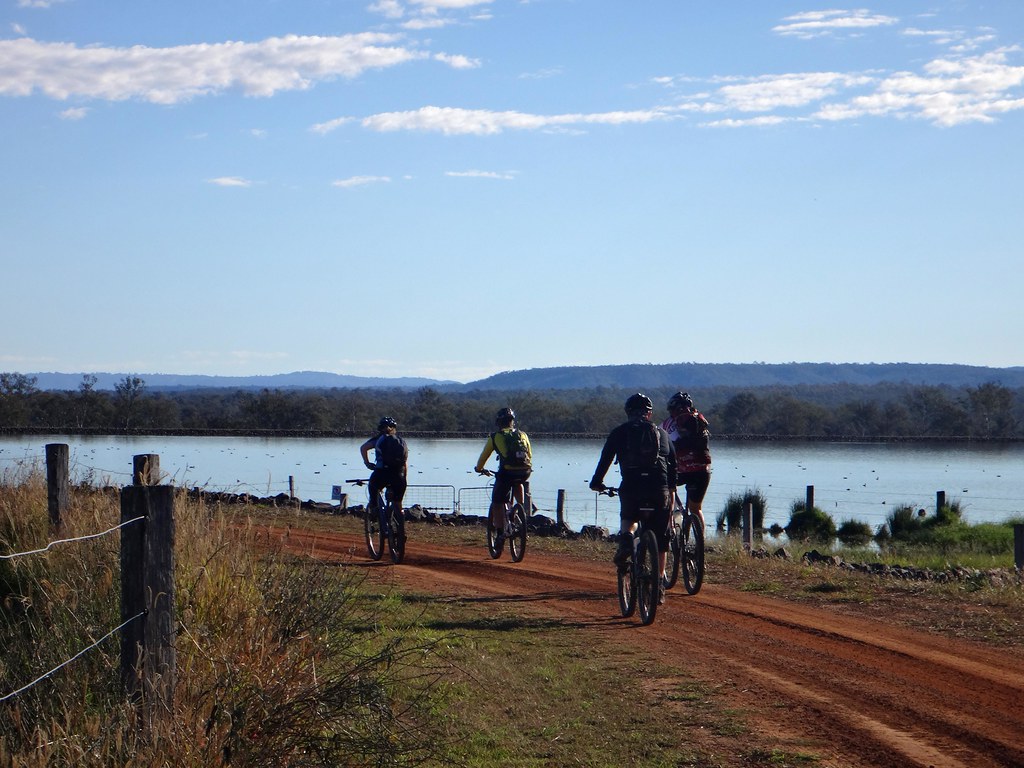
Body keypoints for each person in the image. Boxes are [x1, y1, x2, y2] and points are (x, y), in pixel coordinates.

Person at [590, 393, 676, 602]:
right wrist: (670, 491)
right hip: (659, 489)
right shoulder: (662, 434)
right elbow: (673, 466)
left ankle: (627, 539)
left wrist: (596, 482)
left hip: (632, 486)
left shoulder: (620, 432)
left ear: (628, 412)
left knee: (629, 519)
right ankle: (659, 585)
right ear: (650, 413)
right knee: (662, 540)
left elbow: (605, 460)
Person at [474, 407, 532, 544]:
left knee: (497, 502)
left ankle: (500, 533)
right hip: (525, 471)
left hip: (507, 473)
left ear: (499, 423)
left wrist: (479, 469)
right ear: (512, 422)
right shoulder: (522, 435)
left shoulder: (495, 437)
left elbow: (484, 457)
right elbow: (529, 454)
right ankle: (520, 511)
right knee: (518, 482)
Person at [662, 392, 711, 532]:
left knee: (666, 491)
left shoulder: (668, 423)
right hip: (702, 471)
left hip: (681, 471)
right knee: (696, 509)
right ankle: (700, 544)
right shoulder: (700, 420)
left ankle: (670, 525)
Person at [359, 416, 409, 534]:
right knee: (398, 503)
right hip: (398, 475)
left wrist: (367, 463)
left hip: (382, 473)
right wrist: (403, 478)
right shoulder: (400, 441)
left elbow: (363, 448)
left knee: (373, 487)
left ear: (380, 428)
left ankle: (375, 511)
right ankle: (401, 529)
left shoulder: (379, 439)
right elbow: (405, 463)